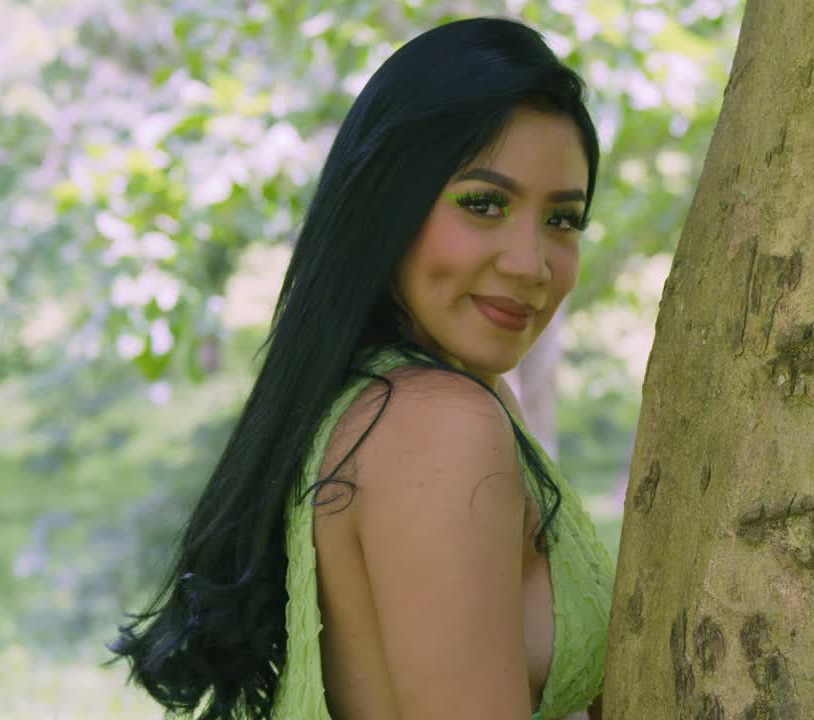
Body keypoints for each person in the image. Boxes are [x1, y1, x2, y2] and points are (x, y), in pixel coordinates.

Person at [109, 16, 614, 720]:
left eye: (562, 220)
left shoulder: (413, 397)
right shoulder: (438, 424)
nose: (531, 263)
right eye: (483, 204)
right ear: (389, 206)